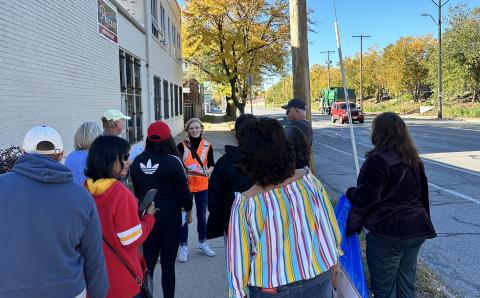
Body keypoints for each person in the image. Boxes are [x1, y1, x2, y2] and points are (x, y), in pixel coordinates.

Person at [227, 118, 342, 298]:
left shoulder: (245, 203)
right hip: (318, 275)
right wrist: (334, 265)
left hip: (272, 288)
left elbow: (237, 261)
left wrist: (237, 294)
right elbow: (329, 229)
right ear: (285, 149)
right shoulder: (309, 181)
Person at [0, 125, 108, 298]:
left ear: (22, 152)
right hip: (69, 291)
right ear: (60, 154)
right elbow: (94, 260)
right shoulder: (82, 197)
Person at [346, 112, 437, 298]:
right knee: (406, 285)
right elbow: (422, 195)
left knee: (383, 289)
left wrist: (350, 193)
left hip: (387, 232)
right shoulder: (413, 158)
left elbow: (367, 197)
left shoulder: (377, 161)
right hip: (416, 228)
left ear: (378, 133)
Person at [84, 135, 156, 298]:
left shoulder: (85, 189)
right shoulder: (120, 193)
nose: (128, 162)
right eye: (124, 157)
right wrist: (148, 218)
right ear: (108, 159)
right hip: (124, 282)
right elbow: (131, 239)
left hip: (95, 282)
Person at [130, 121, 193, 298]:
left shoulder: (137, 161)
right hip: (170, 216)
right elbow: (184, 192)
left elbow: (138, 193)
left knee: (147, 265)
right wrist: (188, 210)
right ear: (169, 139)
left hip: (146, 215)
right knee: (167, 265)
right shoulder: (173, 161)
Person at [206, 113, 256, 241]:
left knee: (235, 259)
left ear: (236, 135)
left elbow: (214, 198)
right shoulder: (268, 160)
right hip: (263, 221)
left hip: (232, 223)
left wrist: (221, 219)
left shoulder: (224, 163)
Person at [177, 118, 216, 262]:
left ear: (201, 129)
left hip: (202, 185)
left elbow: (211, 164)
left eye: (197, 128)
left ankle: (202, 243)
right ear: (187, 130)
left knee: (202, 216)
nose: (194, 130)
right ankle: (183, 246)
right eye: (191, 128)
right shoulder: (181, 146)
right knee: (184, 217)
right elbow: (176, 164)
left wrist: (209, 170)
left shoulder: (208, 145)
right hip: (185, 187)